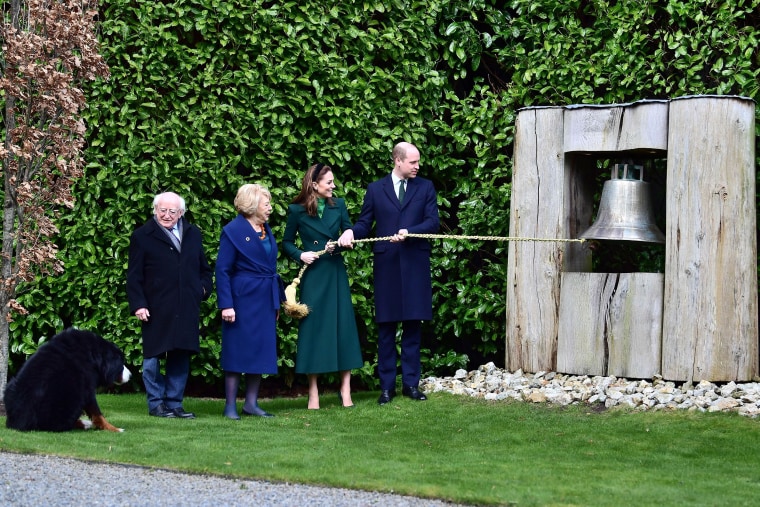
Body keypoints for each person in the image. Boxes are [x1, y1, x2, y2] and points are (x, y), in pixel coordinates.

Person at [338, 142, 439, 405]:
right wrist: (350, 232)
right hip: (387, 266)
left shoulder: (425, 187)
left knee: (412, 328)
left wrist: (410, 231)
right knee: (386, 329)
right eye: (413, 162)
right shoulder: (375, 189)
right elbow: (364, 223)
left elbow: (433, 222)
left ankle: (411, 385)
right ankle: (386, 388)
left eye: (418, 162)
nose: (418, 166)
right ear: (397, 161)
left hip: (415, 264)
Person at [282, 163, 363, 410]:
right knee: (314, 331)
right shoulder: (296, 210)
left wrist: (347, 236)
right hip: (314, 275)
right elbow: (286, 243)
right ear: (314, 185)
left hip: (335, 272)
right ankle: (313, 392)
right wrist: (301, 254)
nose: (333, 186)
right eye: (329, 182)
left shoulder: (338, 205)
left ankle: (345, 390)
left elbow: (349, 229)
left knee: (343, 327)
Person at [127, 192, 213, 418]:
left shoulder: (193, 234)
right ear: (155, 210)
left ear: (181, 213)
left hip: (186, 306)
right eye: (161, 210)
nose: (166, 215)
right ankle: (156, 404)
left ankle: (174, 404)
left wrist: (202, 290)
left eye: (171, 211)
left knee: (180, 355)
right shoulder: (142, 236)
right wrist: (139, 305)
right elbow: (134, 276)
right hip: (155, 307)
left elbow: (204, 269)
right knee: (152, 359)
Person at [215, 184, 285, 420]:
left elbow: (270, 266)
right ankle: (230, 406)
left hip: (264, 298)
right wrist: (226, 304)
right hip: (241, 299)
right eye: (267, 204)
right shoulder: (233, 231)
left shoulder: (265, 229)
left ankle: (251, 404)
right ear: (253, 206)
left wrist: (276, 301)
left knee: (260, 351)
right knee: (236, 352)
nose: (270, 208)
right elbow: (222, 270)